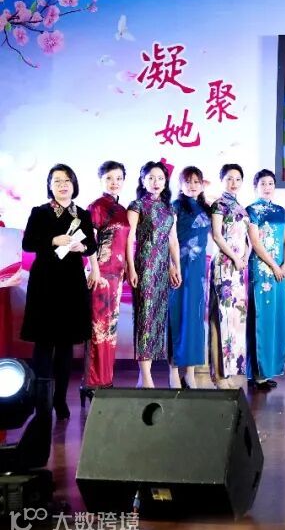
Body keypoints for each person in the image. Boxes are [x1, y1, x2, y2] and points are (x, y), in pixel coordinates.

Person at [21, 164, 98, 420]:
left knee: (65, 346)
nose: (62, 185)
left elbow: (91, 246)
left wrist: (81, 247)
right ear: (49, 185)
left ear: (74, 184)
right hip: (44, 283)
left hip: (71, 284)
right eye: (57, 181)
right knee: (44, 345)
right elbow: (28, 243)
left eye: (67, 181)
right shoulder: (40, 212)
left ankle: (60, 400)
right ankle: (41, 401)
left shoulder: (83, 214)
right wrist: (53, 240)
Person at [126, 161, 181, 388]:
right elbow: (129, 239)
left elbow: (173, 241)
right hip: (145, 266)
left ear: (165, 181)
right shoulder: (137, 205)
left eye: (160, 178)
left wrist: (175, 266)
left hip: (162, 269)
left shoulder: (169, 208)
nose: (155, 182)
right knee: (145, 318)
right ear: (143, 181)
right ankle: (146, 377)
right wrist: (131, 267)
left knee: (157, 320)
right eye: (150, 178)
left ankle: (144, 376)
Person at [83, 161, 130, 403]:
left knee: (109, 330)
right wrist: (94, 270)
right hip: (100, 274)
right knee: (98, 329)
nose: (114, 182)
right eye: (109, 178)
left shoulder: (122, 208)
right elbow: (88, 241)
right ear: (101, 179)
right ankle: (93, 382)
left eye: (119, 178)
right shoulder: (96, 206)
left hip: (117, 275)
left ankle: (106, 379)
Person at [246, 170, 285, 391]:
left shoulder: (281, 211)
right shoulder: (251, 210)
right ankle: (257, 373)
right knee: (261, 318)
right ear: (256, 186)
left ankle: (269, 370)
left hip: (280, 271)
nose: (267, 187)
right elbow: (255, 242)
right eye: (262, 183)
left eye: (270, 183)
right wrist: (274, 265)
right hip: (262, 270)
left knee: (277, 317)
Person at [169, 166, 211, 390]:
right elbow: (167, 239)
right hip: (179, 269)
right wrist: (171, 266)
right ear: (180, 185)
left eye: (197, 181)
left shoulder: (206, 207)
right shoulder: (175, 206)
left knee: (195, 319)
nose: (193, 185)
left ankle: (191, 373)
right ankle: (174, 370)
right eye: (188, 181)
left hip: (198, 272)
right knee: (177, 317)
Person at [209, 164, 250, 388]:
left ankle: (230, 371)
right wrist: (235, 257)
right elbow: (217, 235)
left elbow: (246, 239)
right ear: (222, 180)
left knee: (235, 320)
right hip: (224, 266)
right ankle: (219, 375)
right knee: (221, 318)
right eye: (229, 179)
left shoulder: (241, 208)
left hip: (238, 269)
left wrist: (245, 257)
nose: (233, 183)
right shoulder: (219, 205)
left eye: (237, 179)